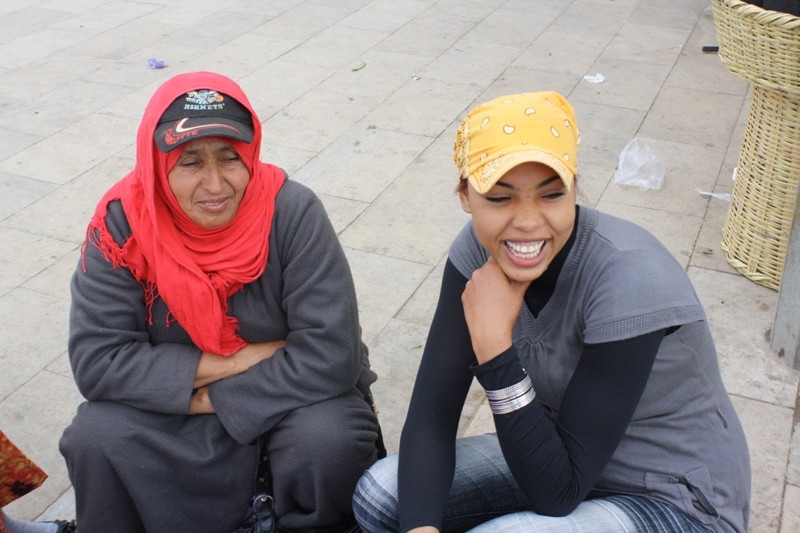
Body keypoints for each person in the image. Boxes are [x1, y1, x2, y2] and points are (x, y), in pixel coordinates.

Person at [352, 92, 751, 532]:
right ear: (466, 196)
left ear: (574, 190)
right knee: (382, 496)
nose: (527, 222)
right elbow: (432, 417)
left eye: (551, 195)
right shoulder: (475, 252)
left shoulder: (630, 277)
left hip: (673, 497)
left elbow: (557, 495)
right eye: (500, 198)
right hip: (560, 453)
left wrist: (494, 349)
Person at [58, 71, 382, 532]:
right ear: (157, 163)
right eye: (190, 162)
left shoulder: (291, 211)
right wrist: (235, 363)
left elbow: (331, 355)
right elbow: (99, 362)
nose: (215, 185)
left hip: (289, 396)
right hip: (183, 404)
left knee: (327, 438)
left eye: (230, 158)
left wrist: (214, 395)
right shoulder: (122, 227)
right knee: (97, 436)